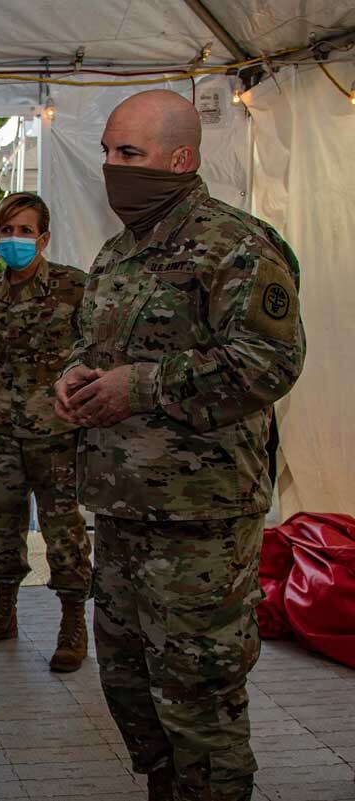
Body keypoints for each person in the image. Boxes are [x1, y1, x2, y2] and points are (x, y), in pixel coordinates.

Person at [55, 89, 305, 801]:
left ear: (181, 157)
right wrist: (76, 378)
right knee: (132, 689)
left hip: (200, 523)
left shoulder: (238, 246)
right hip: (124, 511)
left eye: (127, 153)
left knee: (198, 699)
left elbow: (270, 362)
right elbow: (95, 347)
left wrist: (144, 385)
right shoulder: (117, 253)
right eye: (106, 150)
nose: (111, 166)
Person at [0, 192, 91, 672]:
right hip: (2, 432)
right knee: (2, 525)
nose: (15, 239)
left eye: (25, 231)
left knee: (63, 531)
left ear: (44, 237)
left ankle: (73, 621)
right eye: (7, 230)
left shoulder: (73, 287)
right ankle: (3, 612)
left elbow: (96, 354)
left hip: (58, 431)